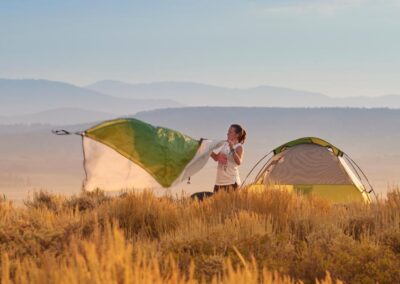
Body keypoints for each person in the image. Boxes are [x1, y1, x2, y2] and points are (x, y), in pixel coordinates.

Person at [211, 124, 246, 193]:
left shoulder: (239, 147)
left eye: (230, 132)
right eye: (228, 132)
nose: (227, 134)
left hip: (231, 182)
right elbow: (216, 158)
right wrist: (208, 150)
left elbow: (239, 162)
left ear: (237, 135)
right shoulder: (225, 145)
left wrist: (232, 148)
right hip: (219, 182)